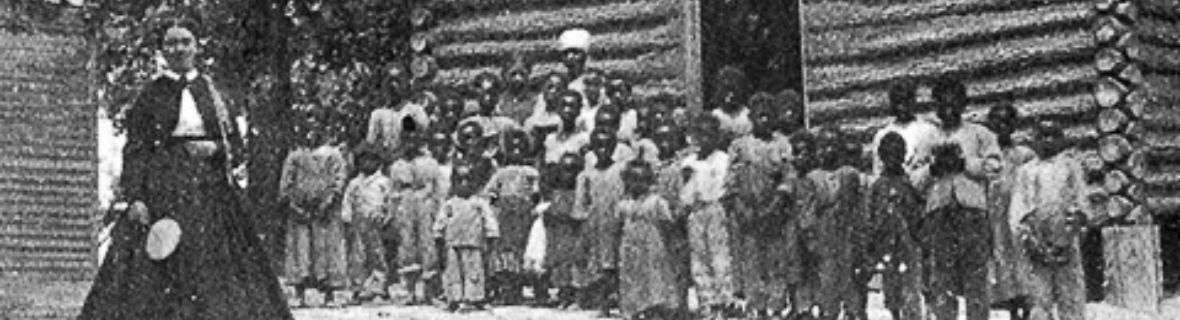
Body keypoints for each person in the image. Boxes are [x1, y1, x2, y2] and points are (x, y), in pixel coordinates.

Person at [79, 21, 292, 320]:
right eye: (171, 43)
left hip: (210, 188)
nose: (178, 49)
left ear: (196, 46)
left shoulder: (213, 93)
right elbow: (136, 150)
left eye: (185, 42)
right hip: (164, 188)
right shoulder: (151, 95)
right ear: (163, 50)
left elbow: (236, 147)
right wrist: (136, 197)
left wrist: (215, 149)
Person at [917, 77, 1003, 320]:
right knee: (942, 277)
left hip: (971, 213)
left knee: (976, 275)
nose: (948, 109)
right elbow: (913, 178)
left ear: (963, 104)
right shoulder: (928, 139)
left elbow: (995, 167)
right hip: (939, 214)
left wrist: (965, 163)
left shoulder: (979, 134)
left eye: (953, 103)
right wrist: (933, 169)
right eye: (942, 104)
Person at [1009, 121, 1095, 320]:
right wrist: (1029, 238)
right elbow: (1018, 207)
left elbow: (1081, 201)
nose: (1047, 141)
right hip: (1036, 241)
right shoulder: (1026, 172)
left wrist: (1073, 230)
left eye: (1052, 135)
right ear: (1034, 140)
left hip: (1066, 240)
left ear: (1061, 140)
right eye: (1042, 136)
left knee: (1071, 296)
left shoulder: (1070, 168)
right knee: (1039, 298)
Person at [281, 118, 351, 308]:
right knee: (300, 252)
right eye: (306, 128)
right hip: (300, 212)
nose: (311, 133)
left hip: (325, 213)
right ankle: (299, 294)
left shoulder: (333, 155)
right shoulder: (295, 156)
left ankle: (329, 294)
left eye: (315, 128)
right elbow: (287, 183)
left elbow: (339, 180)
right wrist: (295, 205)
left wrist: (327, 203)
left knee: (327, 251)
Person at [860, 132, 925, 320]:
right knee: (892, 285)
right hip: (886, 241)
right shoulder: (877, 186)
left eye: (897, 154)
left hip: (909, 241)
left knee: (911, 286)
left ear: (904, 155)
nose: (893, 159)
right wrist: (871, 240)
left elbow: (920, 207)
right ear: (881, 156)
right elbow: (870, 214)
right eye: (888, 155)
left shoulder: (911, 182)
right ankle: (895, 313)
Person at [985, 104, 1039, 320]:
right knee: (1000, 257)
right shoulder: (986, 155)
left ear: (1014, 125)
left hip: (1018, 214)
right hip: (994, 215)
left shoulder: (1024, 154)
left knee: (1022, 258)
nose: (1001, 127)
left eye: (1007, 122)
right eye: (996, 122)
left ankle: (1026, 306)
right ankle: (1010, 307)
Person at [681, 114, 738, 317]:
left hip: (716, 209)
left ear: (716, 136)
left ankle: (726, 299)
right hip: (696, 211)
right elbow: (685, 193)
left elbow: (727, 187)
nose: (704, 139)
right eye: (700, 134)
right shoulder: (689, 162)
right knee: (699, 256)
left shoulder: (723, 160)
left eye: (709, 134)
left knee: (720, 256)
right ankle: (708, 301)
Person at [808, 127, 867, 320]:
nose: (829, 150)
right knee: (828, 277)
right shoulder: (813, 177)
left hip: (847, 232)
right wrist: (810, 236)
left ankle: (853, 311)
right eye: (824, 146)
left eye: (833, 145)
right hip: (824, 232)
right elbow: (808, 209)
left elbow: (858, 206)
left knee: (851, 275)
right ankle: (829, 312)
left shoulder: (849, 174)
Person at [483, 130, 542, 305]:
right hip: (505, 214)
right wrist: (493, 206)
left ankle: (519, 287)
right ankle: (507, 289)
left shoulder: (531, 172)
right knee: (505, 251)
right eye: (512, 148)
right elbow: (491, 191)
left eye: (520, 148)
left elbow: (537, 192)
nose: (516, 152)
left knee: (520, 249)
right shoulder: (502, 173)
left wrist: (534, 204)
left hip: (523, 214)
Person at [434, 160, 502, 312]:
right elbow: (441, 219)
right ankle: (455, 298)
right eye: (460, 181)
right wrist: (438, 233)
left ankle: (472, 298)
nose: (464, 184)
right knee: (453, 271)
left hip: (473, 242)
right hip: (453, 243)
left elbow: (489, 218)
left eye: (468, 180)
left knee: (473, 271)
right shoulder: (450, 203)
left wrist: (492, 234)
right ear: (454, 183)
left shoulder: (479, 203)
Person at [768, 130, 821, 320]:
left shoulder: (816, 176)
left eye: (805, 153)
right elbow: (782, 196)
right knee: (794, 267)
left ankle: (811, 305)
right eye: (796, 153)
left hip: (814, 227)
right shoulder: (791, 176)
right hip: (793, 228)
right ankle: (797, 305)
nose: (800, 158)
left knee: (812, 266)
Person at [575, 127, 628, 314]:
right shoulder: (587, 174)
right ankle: (603, 304)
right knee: (601, 266)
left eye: (607, 145)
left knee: (620, 262)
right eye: (598, 146)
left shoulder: (622, 170)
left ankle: (625, 304)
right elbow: (581, 203)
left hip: (618, 223)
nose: (603, 150)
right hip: (597, 225)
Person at [617, 158, 679, 319]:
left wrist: (668, 245)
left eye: (642, 180)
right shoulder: (624, 203)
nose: (638, 184)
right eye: (633, 180)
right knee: (631, 274)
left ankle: (655, 307)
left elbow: (667, 224)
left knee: (654, 275)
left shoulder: (657, 201)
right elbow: (618, 225)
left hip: (652, 245)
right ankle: (634, 308)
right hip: (630, 245)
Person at [342, 143, 395, 304]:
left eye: (371, 160)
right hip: (358, 222)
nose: (367, 164)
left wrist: (387, 217)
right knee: (357, 256)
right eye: (363, 160)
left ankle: (378, 288)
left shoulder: (383, 182)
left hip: (376, 222)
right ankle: (358, 288)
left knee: (377, 255)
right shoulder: (354, 183)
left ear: (378, 162)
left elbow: (390, 201)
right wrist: (347, 216)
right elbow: (348, 201)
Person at [538, 152, 589, 308]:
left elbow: (581, 213)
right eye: (564, 169)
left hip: (574, 235)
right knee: (560, 265)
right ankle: (564, 295)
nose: (568, 174)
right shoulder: (556, 192)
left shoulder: (580, 192)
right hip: (558, 235)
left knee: (576, 265)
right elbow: (551, 211)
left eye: (572, 170)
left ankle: (577, 297)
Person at [868, 80, 940, 183]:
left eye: (906, 102)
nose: (902, 107)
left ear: (913, 101)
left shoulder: (928, 130)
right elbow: (878, 172)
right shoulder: (882, 135)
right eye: (898, 102)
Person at [710, 66, 753, 137]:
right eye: (726, 90)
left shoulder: (747, 116)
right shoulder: (715, 116)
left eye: (734, 91)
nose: (731, 95)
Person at [499, 55, 539, 125]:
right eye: (513, 74)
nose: (518, 78)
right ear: (505, 76)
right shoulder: (500, 100)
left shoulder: (535, 100)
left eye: (522, 74)